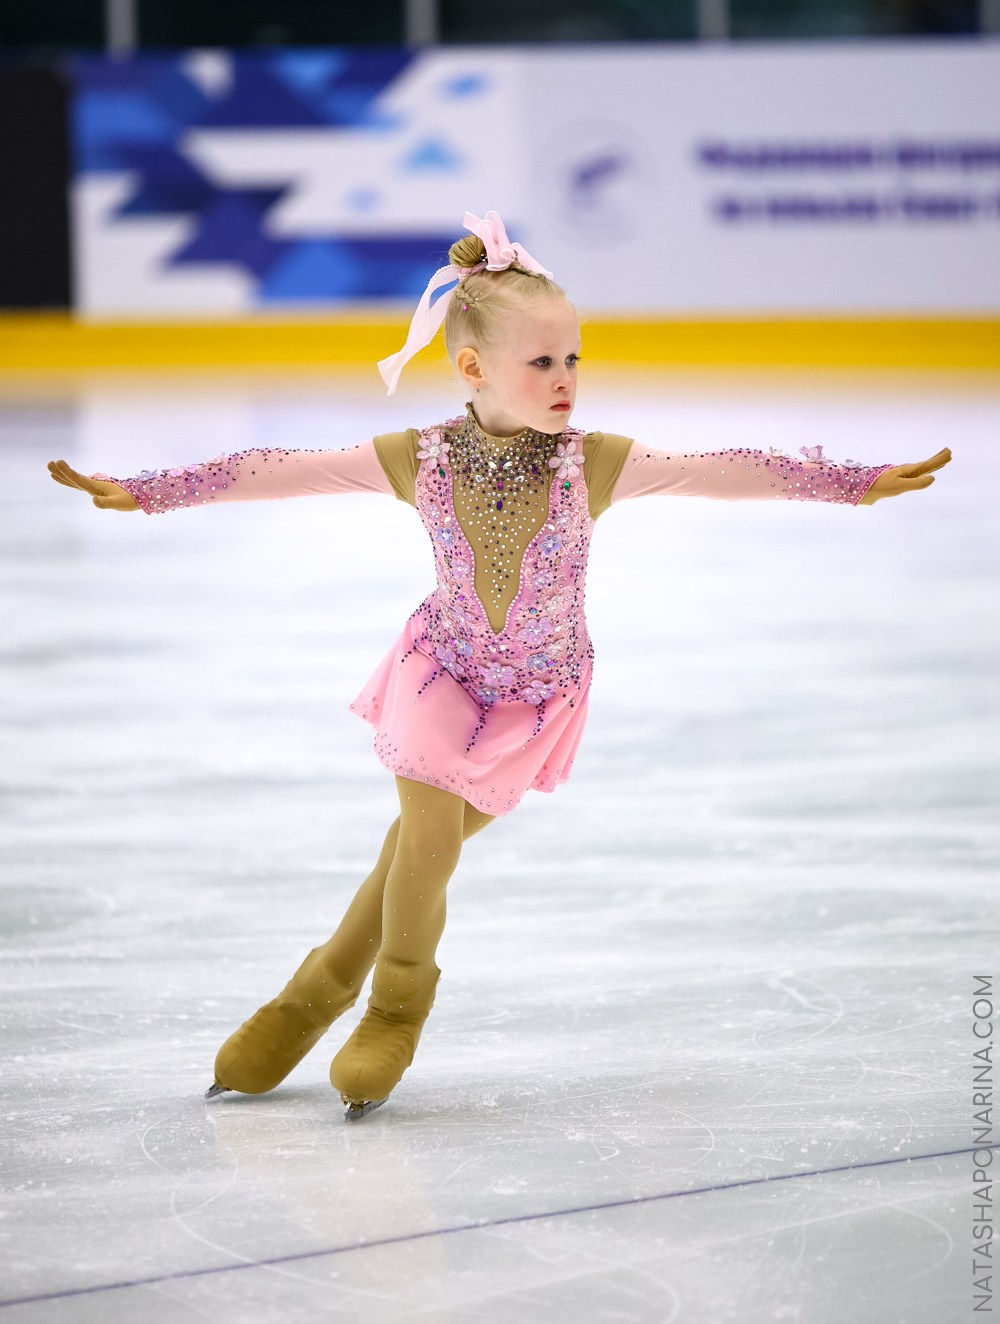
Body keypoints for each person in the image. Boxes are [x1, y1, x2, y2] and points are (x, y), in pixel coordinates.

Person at [47, 208, 952, 1121]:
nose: (564, 382)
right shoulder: (419, 457)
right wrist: (153, 491)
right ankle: (394, 1009)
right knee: (428, 845)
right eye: (541, 363)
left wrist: (853, 480)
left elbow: (727, 467)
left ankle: (309, 996)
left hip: (535, 699)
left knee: (410, 854)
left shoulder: (591, 463)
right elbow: (278, 468)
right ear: (473, 368)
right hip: (440, 675)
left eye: (573, 361)